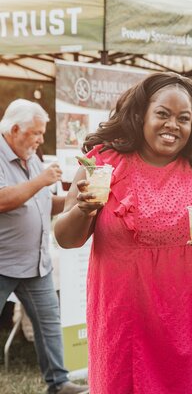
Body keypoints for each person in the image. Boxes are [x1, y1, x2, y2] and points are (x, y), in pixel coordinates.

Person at [54, 72, 192, 394]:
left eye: (183, 118)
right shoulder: (103, 162)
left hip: (188, 311)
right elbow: (66, 237)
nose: (173, 125)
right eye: (162, 114)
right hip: (122, 313)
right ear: (141, 113)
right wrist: (84, 209)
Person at [0, 99, 89, 394]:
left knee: (50, 323)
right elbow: (3, 200)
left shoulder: (32, 156)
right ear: (14, 129)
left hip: (35, 263)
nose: (40, 140)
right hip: (2, 262)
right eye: (36, 133)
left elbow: (41, 202)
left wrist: (76, 200)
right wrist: (41, 181)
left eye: (42, 133)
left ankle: (59, 382)